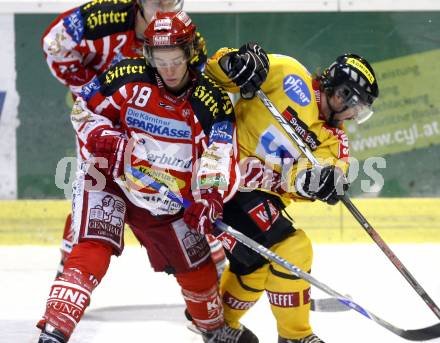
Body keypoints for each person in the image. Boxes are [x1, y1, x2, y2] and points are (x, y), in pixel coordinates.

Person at [36, 11, 255, 343]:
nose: (167, 69)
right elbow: (83, 109)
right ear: (148, 55)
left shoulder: (212, 101)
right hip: (112, 177)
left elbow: (219, 153)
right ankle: (54, 329)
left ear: (190, 54)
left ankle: (211, 330)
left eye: (176, 60)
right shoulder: (125, 75)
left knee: (198, 269)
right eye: (160, 59)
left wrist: (208, 197)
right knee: (94, 244)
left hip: (168, 196)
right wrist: (102, 137)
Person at [205, 44, 379, 342]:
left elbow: (306, 179)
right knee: (293, 249)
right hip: (220, 174)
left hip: (256, 197)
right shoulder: (290, 74)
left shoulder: (334, 141)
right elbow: (215, 72)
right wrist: (237, 63)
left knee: (253, 266)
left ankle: (218, 324)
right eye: (356, 107)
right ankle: (295, 336)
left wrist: (320, 183)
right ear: (340, 94)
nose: (353, 116)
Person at [41, 0, 210, 277]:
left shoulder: (186, 34)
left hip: (152, 128)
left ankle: (198, 251)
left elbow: (200, 84)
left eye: (172, 1)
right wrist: (88, 89)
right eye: (158, 1)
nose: (166, 8)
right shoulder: (103, 17)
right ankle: (72, 256)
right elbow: (54, 42)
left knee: (170, 186)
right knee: (96, 187)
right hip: (103, 120)